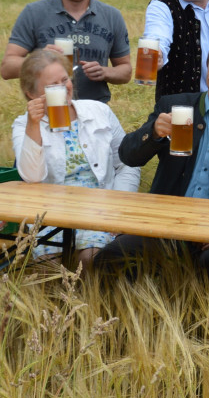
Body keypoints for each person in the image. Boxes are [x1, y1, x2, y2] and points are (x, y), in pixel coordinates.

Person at [97, 39, 209, 269]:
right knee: (112, 257)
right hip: (165, 224)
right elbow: (128, 156)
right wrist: (154, 132)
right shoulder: (173, 106)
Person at [10, 49, 140, 272]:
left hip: (99, 208)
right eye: (53, 86)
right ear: (31, 93)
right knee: (47, 269)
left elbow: (127, 161)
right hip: (50, 213)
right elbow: (31, 177)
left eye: (65, 79)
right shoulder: (23, 125)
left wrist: (118, 208)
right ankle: (55, 307)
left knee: (91, 261)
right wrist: (34, 124)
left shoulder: (99, 111)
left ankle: (91, 305)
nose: (63, 89)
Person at [1, 0, 132, 103]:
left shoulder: (112, 16)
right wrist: (41, 59)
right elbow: (7, 68)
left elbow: (126, 70)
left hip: (95, 114)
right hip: (49, 111)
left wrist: (105, 72)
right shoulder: (34, 13)